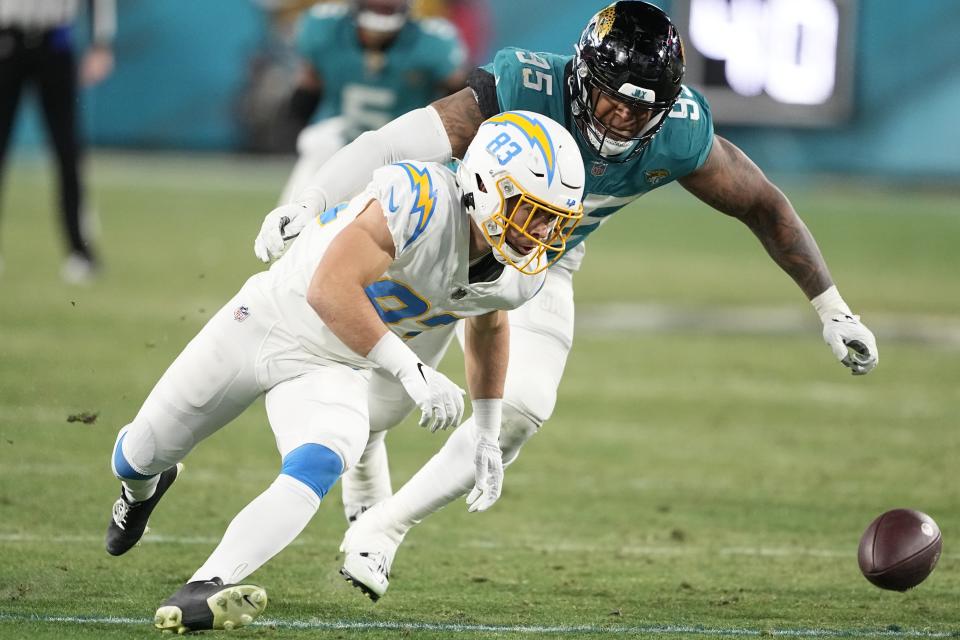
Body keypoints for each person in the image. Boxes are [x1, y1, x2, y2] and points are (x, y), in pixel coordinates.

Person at [253, 1, 880, 601]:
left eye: (642, 110)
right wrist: (313, 199)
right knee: (381, 406)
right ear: (582, 76)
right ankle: (363, 456)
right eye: (611, 97)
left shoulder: (679, 134)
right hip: (455, 233)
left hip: (546, 259)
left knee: (524, 408)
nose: (621, 121)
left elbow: (762, 203)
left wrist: (833, 309)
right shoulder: (525, 87)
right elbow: (392, 142)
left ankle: (382, 529)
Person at [103, 110, 585, 632]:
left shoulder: (518, 274)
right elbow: (329, 288)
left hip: (340, 363)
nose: (541, 231)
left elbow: (489, 325)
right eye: (530, 209)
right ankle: (141, 491)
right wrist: (410, 369)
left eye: (553, 218)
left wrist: (488, 431)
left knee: (323, 458)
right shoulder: (420, 196)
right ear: (487, 187)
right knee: (139, 453)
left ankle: (208, 583)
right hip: (270, 319)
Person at [279, 0, 466, 203]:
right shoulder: (327, 28)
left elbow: (461, 95)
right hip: (335, 147)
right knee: (320, 141)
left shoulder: (431, 41)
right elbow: (308, 88)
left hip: (400, 157)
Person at [0, 0, 116, 282]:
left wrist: (101, 42)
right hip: (6, 39)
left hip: (55, 40)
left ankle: (80, 251)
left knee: (68, 152)